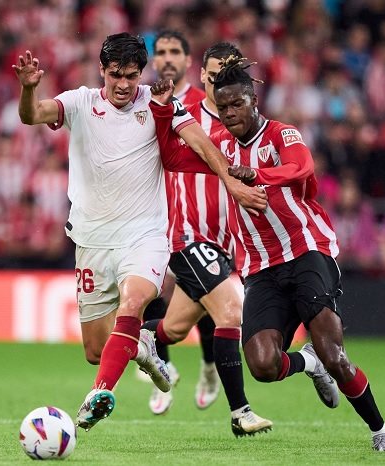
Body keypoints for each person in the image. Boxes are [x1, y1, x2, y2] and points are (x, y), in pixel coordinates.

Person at [12, 32, 267, 432]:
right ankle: (144, 346)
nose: (123, 84)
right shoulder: (80, 102)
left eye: (132, 76)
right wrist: (29, 89)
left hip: (144, 236)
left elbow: (199, 141)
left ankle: (98, 395)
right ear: (102, 69)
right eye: (115, 74)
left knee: (133, 304)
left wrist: (230, 181)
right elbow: (33, 115)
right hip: (92, 240)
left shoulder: (157, 101)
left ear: (141, 74)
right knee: (96, 350)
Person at [149, 56, 385, 452]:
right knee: (263, 365)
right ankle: (309, 362)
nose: (229, 113)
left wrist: (257, 174)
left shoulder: (282, 134)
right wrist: (162, 109)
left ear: (254, 101)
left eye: (237, 104)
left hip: (306, 251)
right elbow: (171, 157)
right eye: (222, 106)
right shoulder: (219, 149)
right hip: (260, 267)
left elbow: (301, 168)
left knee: (335, 355)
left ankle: (380, 430)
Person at [143, 41, 273, 436]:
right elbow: (166, 155)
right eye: (213, 76)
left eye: (226, 77)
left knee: (173, 329)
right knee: (230, 313)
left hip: (225, 243)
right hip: (188, 236)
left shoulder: (246, 124)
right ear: (202, 76)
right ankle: (240, 413)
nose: (219, 84)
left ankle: (135, 336)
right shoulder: (186, 115)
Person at [141, 29, 219, 416]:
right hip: (156, 216)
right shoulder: (143, 102)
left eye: (175, 51)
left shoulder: (207, 104)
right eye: (161, 52)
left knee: (202, 297)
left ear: (189, 61)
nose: (168, 58)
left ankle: (209, 365)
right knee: (150, 293)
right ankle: (163, 369)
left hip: (199, 217)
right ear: (154, 61)